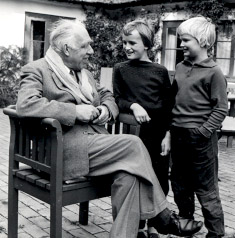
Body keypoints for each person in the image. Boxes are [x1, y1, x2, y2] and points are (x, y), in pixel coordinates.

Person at [16, 19, 203, 238]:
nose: (91, 50)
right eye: (85, 45)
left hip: (92, 147)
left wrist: (106, 109)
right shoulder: (37, 70)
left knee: (129, 175)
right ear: (67, 49)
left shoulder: (82, 74)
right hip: (61, 152)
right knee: (133, 143)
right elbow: (26, 105)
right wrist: (74, 111)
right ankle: (162, 217)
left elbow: (108, 96)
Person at [113, 20, 172, 238]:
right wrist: (134, 105)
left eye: (132, 42)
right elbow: (117, 99)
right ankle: (136, 225)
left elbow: (168, 106)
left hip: (158, 134)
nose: (126, 47)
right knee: (135, 179)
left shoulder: (160, 71)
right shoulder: (121, 69)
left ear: (146, 44)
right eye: (124, 43)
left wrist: (168, 135)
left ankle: (154, 225)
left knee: (159, 177)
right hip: (133, 136)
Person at [170, 16, 228, 238]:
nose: (181, 44)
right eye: (180, 39)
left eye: (186, 40)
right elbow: (175, 100)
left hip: (200, 139)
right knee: (180, 185)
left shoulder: (214, 72)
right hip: (178, 135)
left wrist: (203, 132)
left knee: (206, 189)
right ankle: (186, 224)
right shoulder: (180, 66)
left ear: (203, 42)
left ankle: (216, 233)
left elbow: (221, 108)